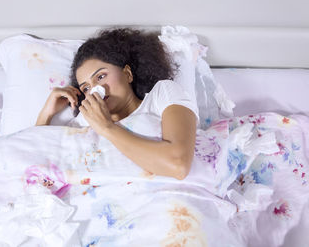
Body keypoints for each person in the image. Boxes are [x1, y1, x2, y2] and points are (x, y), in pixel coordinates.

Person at [36, 27, 199, 180]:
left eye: (100, 77)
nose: (95, 90)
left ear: (127, 73)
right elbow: (37, 164)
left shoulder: (161, 94)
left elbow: (179, 166)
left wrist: (106, 127)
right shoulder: (85, 121)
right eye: (86, 88)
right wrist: (46, 114)